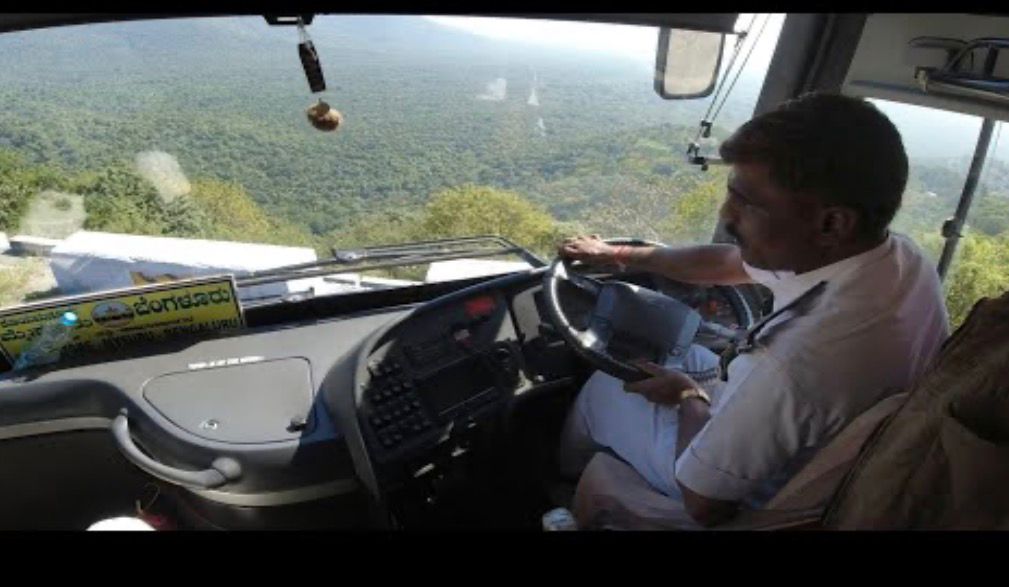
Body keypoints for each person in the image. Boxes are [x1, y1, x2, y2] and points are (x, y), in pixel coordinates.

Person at [556, 92, 950, 528]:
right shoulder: (898, 259)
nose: (726, 216)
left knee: (606, 386)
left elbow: (703, 501)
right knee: (683, 355)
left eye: (746, 201)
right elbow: (726, 263)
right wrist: (625, 255)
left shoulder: (794, 362)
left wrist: (690, 397)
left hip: (753, 494)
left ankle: (561, 480)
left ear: (832, 223)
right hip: (817, 446)